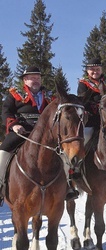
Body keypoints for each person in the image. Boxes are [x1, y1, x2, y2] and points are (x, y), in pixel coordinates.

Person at [0, 66, 76, 204]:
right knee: (4, 150)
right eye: (32, 78)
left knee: (65, 153)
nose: (35, 80)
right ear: (25, 80)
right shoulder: (14, 94)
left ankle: (68, 185)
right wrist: (14, 125)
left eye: (38, 78)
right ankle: (0, 184)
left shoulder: (50, 96)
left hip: (46, 135)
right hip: (22, 131)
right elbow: (6, 111)